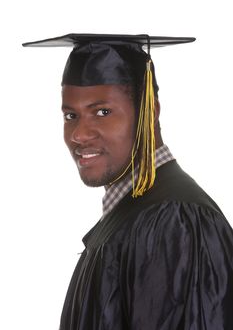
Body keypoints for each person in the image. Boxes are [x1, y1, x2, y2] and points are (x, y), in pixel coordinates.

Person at [23, 34, 233, 330]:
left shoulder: (171, 223)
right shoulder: (135, 213)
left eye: (102, 112)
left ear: (151, 112)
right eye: (71, 115)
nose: (79, 134)